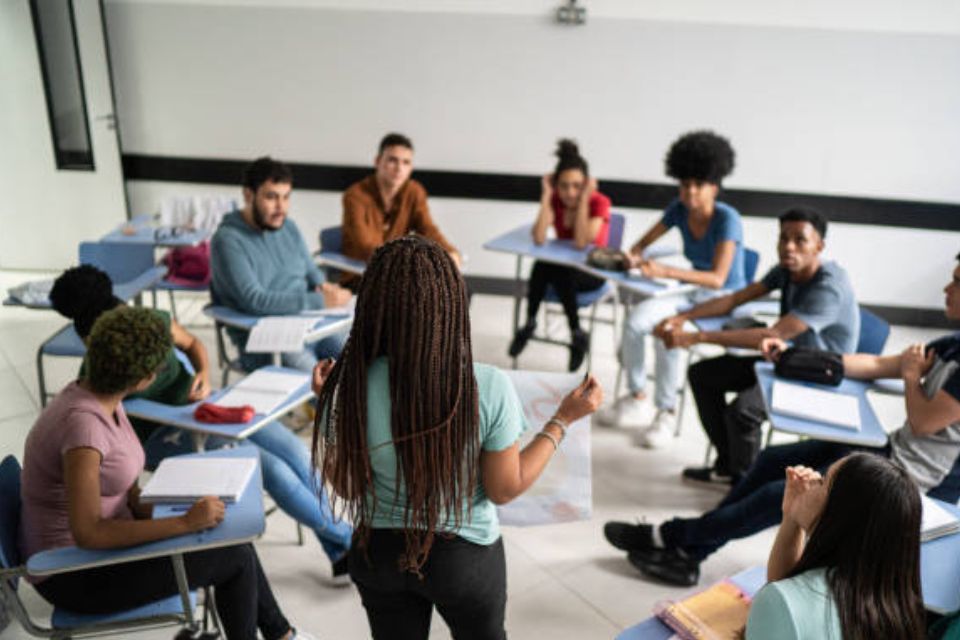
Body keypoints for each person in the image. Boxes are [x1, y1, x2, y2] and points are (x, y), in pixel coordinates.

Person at [602, 255, 960, 587]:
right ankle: (689, 553)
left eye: (956, 282)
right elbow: (881, 365)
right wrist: (798, 356)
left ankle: (671, 537)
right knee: (772, 461)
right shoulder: (952, 344)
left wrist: (913, 376)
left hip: (915, 484)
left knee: (781, 496)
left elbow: (925, 421)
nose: (946, 289)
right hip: (892, 453)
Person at [311, 236, 603, 640]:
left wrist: (328, 407)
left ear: (372, 304)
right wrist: (562, 420)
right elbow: (504, 489)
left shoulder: (346, 387)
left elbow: (347, 486)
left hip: (376, 554)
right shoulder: (487, 385)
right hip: (462, 559)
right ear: (450, 303)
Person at [19, 306, 314, 640]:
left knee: (231, 537)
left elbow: (120, 489)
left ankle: (281, 634)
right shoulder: (83, 428)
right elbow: (89, 532)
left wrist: (168, 511)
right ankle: (281, 635)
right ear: (144, 379)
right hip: (75, 573)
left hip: (100, 547)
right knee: (235, 557)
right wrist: (184, 524)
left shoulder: (100, 394)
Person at [48, 265, 353, 580]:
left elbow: (194, 344)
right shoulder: (96, 373)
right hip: (161, 432)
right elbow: (110, 434)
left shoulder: (151, 323)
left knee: (293, 449)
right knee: (270, 469)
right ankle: (352, 544)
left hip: (205, 407)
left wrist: (203, 376)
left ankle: (341, 550)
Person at [658, 207, 858, 484]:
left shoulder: (829, 287)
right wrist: (683, 317)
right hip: (787, 359)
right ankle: (729, 467)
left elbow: (772, 334)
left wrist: (696, 337)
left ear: (819, 246)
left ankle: (745, 487)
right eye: (783, 238)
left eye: (800, 240)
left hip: (818, 375)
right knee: (701, 375)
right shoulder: (786, 270)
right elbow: (734, 299)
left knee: (742, 412)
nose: (789, 247)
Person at [599, 130, 747, 446]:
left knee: (669, 333)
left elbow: (718, 278)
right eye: (684, 185)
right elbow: (642, 243)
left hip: (724, 299)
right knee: (636, 322)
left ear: (714, 186)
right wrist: (633, 257)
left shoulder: (727, 219)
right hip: (691, 290)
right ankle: (637, 394)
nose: (690, 192)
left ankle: (665, 412)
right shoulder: (678, 210)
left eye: (698, 185)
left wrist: (664, 270)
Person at [746, 454, 924, 639]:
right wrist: (792, 517)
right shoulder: (896, 605)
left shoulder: (780, 602)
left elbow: (783, 603)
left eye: (823, 481)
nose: (811, 482)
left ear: (841, 516)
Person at [210, 156, 352, 372]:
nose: (281, 207)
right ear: (249, 195)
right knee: (323, 390)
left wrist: (324, 285)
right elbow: (254, 300)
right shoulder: (228, 240)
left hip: (309, 324)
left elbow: (309, 268)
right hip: (264, 340)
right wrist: (319, 300)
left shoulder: (287, 226)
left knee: (361, 365)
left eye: (286, 197)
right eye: (271, 197)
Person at [507, 139, 612, 372]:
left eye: (576, 186)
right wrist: (546, 195)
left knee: (554, 268)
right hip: (564, 273)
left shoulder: (599, 202)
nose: (569, 192)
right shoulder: (555, 199)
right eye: (563, 186)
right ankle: (569, 332)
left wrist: (584, 200)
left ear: (585, 184)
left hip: (593, 273)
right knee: (545, 264)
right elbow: (539, 238)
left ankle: (553, 328)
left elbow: (582, 242)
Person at [340, 132, 461, 289]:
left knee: (458, 289)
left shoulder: (414, 192)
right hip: (363, 275)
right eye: (392, 160)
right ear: (377, 161)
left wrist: (449, 253)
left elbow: (428, 229)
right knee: (420, 296)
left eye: (406, 162)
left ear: (411, 168)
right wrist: (408, 263)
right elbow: (364, 246)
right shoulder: (355, 195)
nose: (399, 168)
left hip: (398, 272)